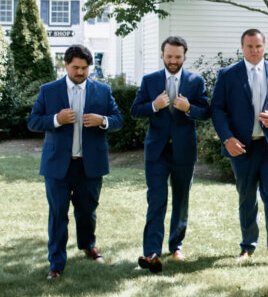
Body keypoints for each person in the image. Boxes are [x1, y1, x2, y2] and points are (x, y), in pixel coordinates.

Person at [27, 44, 123, 279]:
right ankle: (56, 264)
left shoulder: (103, 91)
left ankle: (88, 246)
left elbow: (118, 120)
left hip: (90, 165)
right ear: (66, 65)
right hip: (57, 165)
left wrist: (103, 121)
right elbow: (33, 122)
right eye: (75, 67)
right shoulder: (48, 91)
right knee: (58, 214)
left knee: (87, 211)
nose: (80, 72)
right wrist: (56, 119)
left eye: (84, 68)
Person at [211, 28, 268, 266]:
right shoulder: (228, 74)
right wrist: (227, 138)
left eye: (258, 46)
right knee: (247, 197)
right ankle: (248, 247)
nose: (254, 50)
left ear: (264, 46)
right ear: (242, 47)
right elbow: (217, 109)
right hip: (241, 147)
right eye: (249, 46)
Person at [131, 36, 210, 273]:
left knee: (181, 201)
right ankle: (151, 252)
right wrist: (154, 105)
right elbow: (135, 110)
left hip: (184, 151)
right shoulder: (150, 80)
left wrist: (189, 109)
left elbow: (206, 112)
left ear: (184, 56)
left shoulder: (196, 81)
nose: (173, 61)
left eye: (177, 56)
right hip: (157, 152)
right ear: (162, 55)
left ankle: (176, 246)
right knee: (156, 200)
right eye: (169, 56)